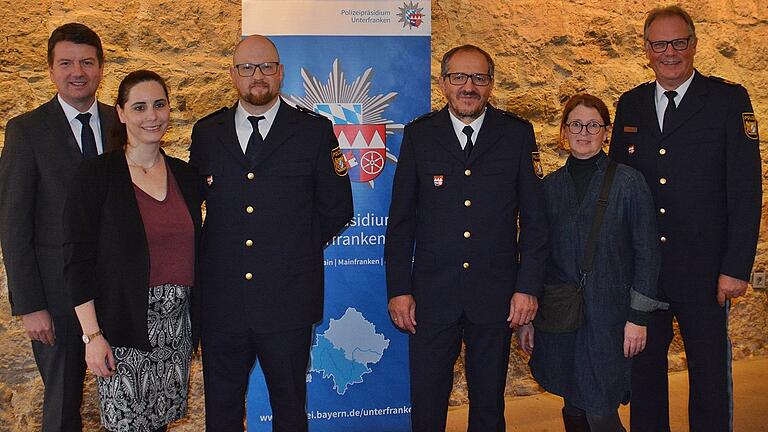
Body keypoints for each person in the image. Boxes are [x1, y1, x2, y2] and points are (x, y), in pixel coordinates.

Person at [188, 35, 353, 431]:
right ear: (233, 75)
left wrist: (290, 253)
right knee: (223, 412)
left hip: (288, 301)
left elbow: (337, 208)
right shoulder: (207, 133)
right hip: (222, 302)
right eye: (246, 68)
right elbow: (196, 205)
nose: (256, 76)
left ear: (280, 73)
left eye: (265, 67)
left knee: (290, 408)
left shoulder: (314, 132)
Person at [609, 6, 762, 431]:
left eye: (679, 42)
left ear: (694, 45)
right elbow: (619, 187)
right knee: (645, 377)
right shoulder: (632, 104)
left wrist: (735, 268)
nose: (670, 52)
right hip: (645, 271)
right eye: (660, 44)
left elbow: (746, 190)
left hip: (706, 270)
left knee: (709, 375)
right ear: (646, 50)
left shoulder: (728, 100)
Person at [385, 44, 548, 432]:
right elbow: (401, 222)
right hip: (431, 296)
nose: (468, 86)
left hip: (494, 296)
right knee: (427, 402)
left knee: (489, 405)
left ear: (491, 84)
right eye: (458, 77)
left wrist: (527, 288)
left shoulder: (516, 134)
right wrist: (399, 290)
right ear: (443, 83)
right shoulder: (420, 135)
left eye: (478, 77)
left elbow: (536, 222)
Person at [62, 70, 202, 432]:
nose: (151, 116)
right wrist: (92, 337)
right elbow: (78, 261)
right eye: (139, 107)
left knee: (160, 426)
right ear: (121, 113)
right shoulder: (95, 175)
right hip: (121, 330)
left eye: (159, 105)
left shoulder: (185, 176)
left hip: (176, 329)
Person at [517, 94, 665, 431]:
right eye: (576, 124)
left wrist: (638, 318)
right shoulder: (549, 188)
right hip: (562, 314)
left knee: (600, 404)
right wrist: (528, 318)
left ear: (606, 131)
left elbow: (647, 252)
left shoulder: (629, 183)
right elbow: (534, 253)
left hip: (611, 318)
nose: (584, 132)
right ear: (564, 131)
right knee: (572, 401)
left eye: (593, 125)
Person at [0, 23, 118, 431]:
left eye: (87, 62)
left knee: (129, 402)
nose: (77, 72)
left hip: (117, 293)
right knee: (63, 406)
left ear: (102, 67)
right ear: (51, 70)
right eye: (66, 63)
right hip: (55, 299)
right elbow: (14, 224)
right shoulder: (27, 130)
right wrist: (30, 304)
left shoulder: (120, 123)